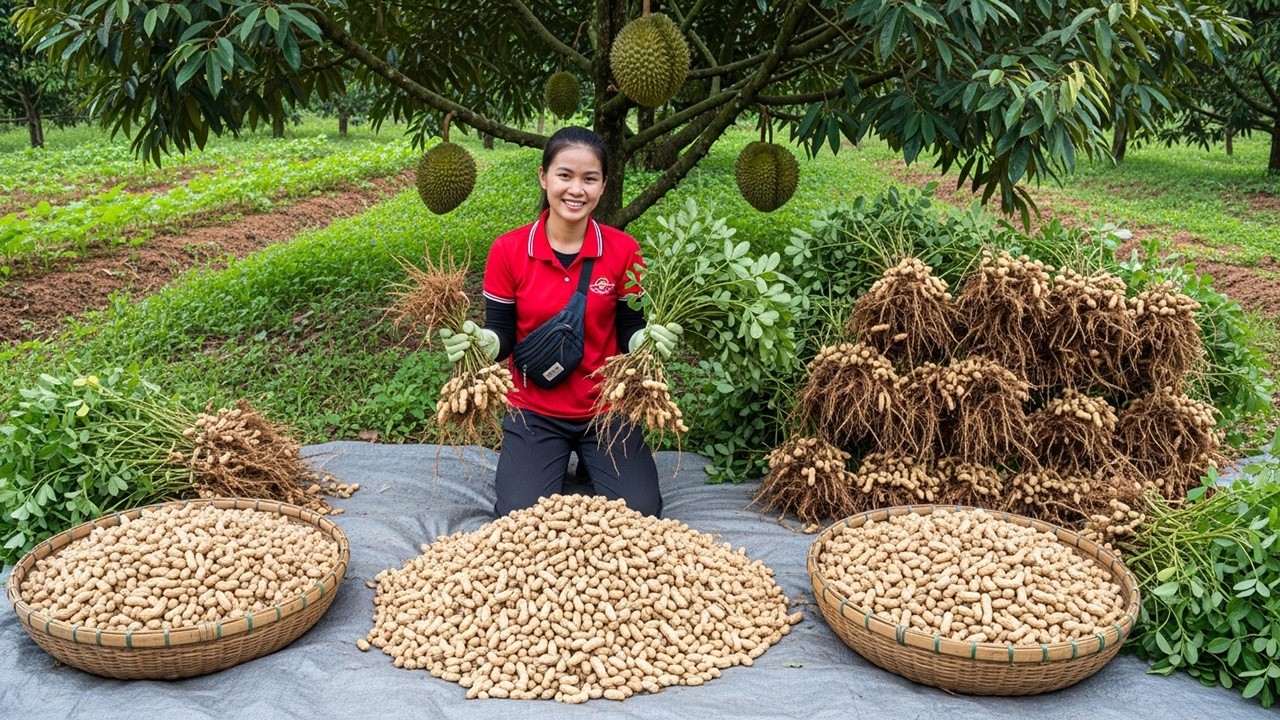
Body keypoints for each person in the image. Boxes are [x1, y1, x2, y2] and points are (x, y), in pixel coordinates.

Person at [439, 126, 682, 517]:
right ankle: (553, 455)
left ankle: (592, 458)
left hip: (607, 408)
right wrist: (483, 342)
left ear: (603, 186)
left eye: (590, 179)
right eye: (564, 175)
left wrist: (644, 343)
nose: (576, 190)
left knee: (642, 511)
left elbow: (628, 325)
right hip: (534, 410)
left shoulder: (623, 250)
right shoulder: (509, 250)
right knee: (518, 515)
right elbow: (501, 331)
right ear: (544, 177)